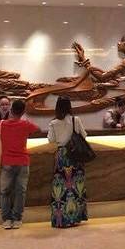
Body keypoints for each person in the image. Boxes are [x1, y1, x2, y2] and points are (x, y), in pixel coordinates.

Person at [0, 99, 40, 229]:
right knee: (20, 192)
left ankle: (6, 219)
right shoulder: (26, 124)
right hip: (23, 162)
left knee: (5, 192)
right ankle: (17, 219)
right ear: (23, 112)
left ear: (11, 110)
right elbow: (38, 129)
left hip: (7, 162)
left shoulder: (2, 124)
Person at [48, 96, 88, 228]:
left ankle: (61, 219)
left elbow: (51, 139)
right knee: (76, 188)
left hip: (61, 155)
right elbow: (84, 135)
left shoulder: (53, 123)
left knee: (60, 189)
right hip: (75, 155)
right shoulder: (75, 119)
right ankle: (75, 217)